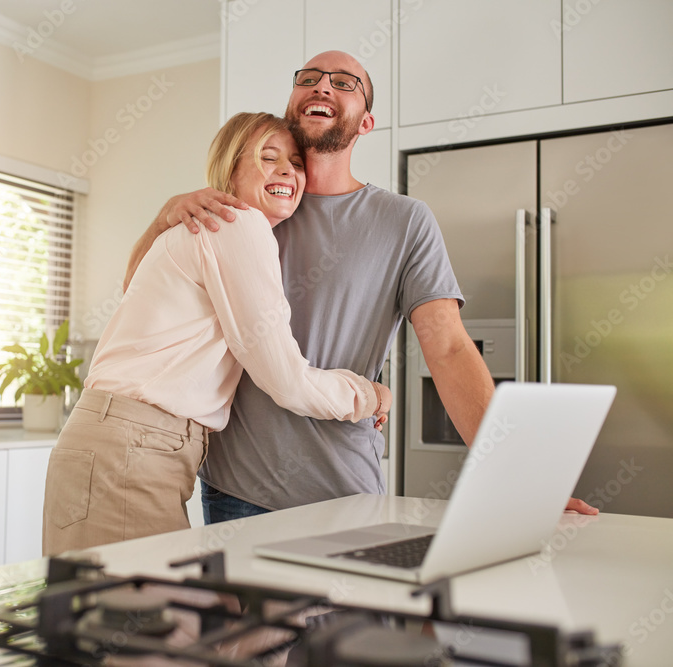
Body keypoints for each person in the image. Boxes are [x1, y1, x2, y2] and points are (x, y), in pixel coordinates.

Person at [125, 50, 598, 520]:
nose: (323, 85)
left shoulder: (405, 221)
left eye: (345, 82)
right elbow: (138, 296)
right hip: (236, 488)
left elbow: (449, 347)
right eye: (308, 77)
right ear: (293, 105)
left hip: (345, 490)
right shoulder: (245, 208)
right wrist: (163, 216)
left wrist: (516, 477)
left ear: (366, 123)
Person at [43, 112, 393, 556]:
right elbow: (286, 380)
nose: (287, 169)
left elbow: (132, 287)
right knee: (143, 620)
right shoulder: (237, 223)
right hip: (133, 452)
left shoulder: (207, 228)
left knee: (111, 617)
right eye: (269, 157)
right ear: (230, 170)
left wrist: (162, 217)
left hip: (117, 444)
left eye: (296, 162)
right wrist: (370, 396)